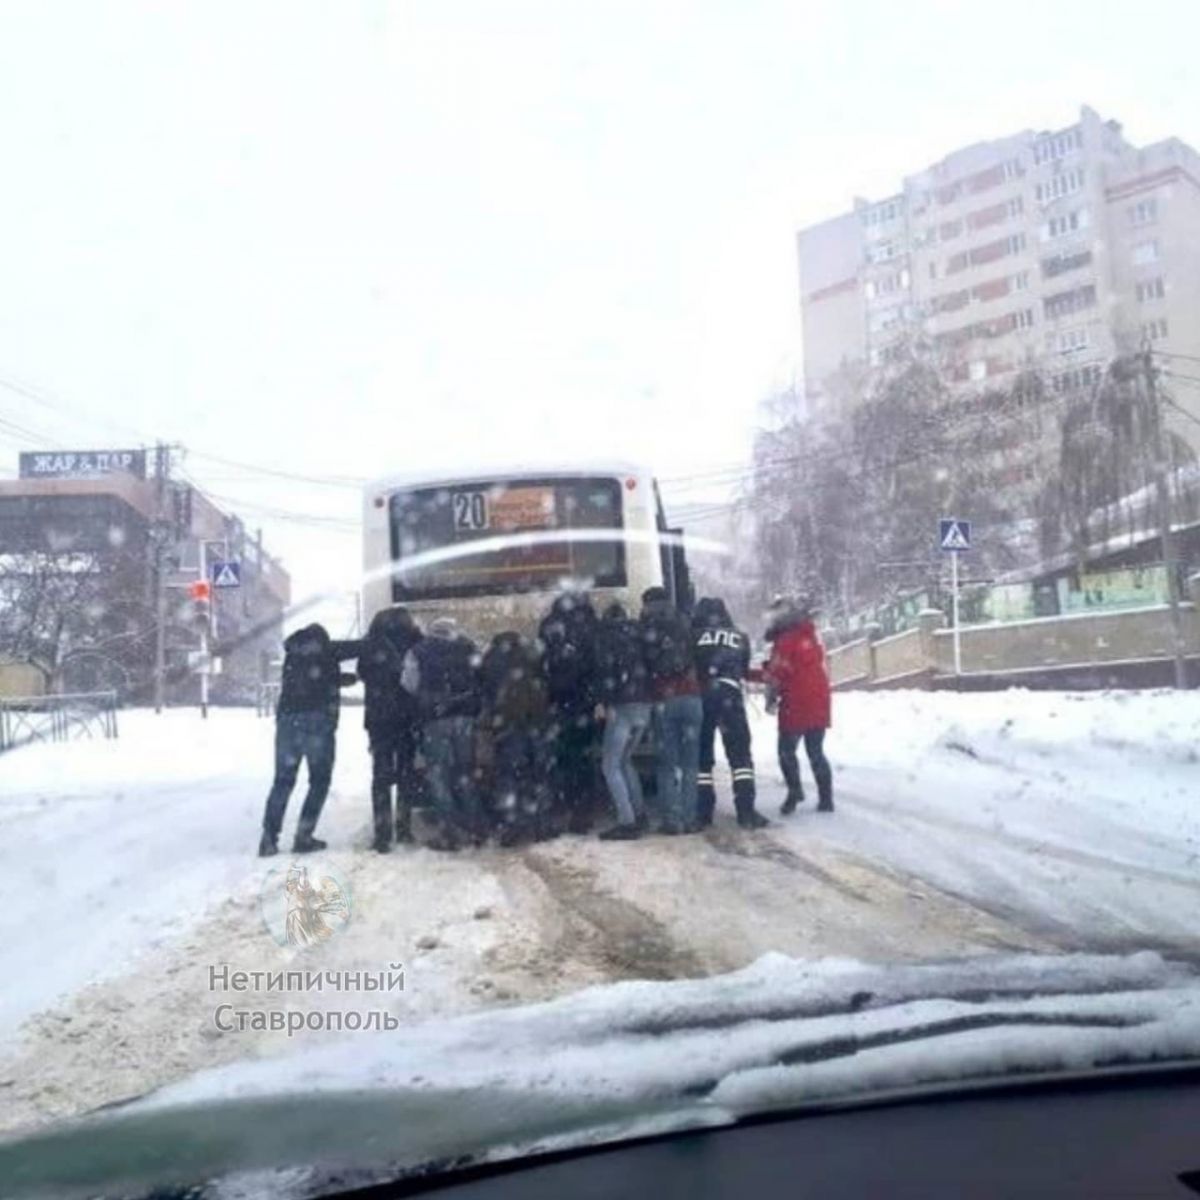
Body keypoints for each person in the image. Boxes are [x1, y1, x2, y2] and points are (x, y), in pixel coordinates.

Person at [259, 623, 361, 857]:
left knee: (283, 782)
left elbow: (315, 677)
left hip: (288, 723)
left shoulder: (293, 654)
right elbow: (356, 649)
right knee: (319, 780)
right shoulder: (327, 650)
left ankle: (268, 838)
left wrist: (339, 678)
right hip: (318, 722)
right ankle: (304, 835)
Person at [401, 616, 483, 849]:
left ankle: (451, 832)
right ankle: (476, 828)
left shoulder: (418, 650)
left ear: (432, 631)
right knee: (464, 773)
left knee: (439, 776)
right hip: (465, 717)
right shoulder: (469, 647)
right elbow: (480, 677)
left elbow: (409, 683)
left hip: (434, 718)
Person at [692, 596, 769, 830]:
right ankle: (746, 811)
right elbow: (743, 670)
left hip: (702, 695)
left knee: (702, 757)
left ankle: (704, 812)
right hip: (731, 697)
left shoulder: (693, 636)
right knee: (740, 756)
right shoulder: (739, 637)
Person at [478, 630, 555, 846]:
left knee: (509, 777)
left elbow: (484, 689)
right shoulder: (532, 655)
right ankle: (542, 825)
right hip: (538, 723)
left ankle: (513, 827)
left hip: (508, 725)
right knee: (539, 774)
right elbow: (545, 682)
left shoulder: (491, 658)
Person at [357, 605, 423, 854]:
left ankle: (382, 834)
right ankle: (404, 828)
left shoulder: (371, 646)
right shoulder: (415, 643)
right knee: (407, 774)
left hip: (378, 719)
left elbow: (362, 673)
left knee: (380, 777)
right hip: (407, 717)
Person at [639, 586, 703, 834]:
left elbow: (644, 662)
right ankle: (690, 818)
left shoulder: (647, 626)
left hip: (665, 700)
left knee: (666, 764)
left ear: (648, 604)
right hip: (692, 697)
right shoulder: (684, 621)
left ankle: (672, 820)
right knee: (690, 763)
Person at [763, 596, 834, 815]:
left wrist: (768, 694)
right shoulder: (811, 636)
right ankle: (826, 799)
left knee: (786, 751)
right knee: (816, 751)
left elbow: (777, 673)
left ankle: (795, 791)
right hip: (820, 700)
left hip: (795, 702)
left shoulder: (785, 641)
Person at [538, 591, 601, 833]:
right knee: (584, 760)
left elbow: (541, 662)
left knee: (561, 759)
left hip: (557, 703)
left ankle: (560, 808)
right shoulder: (592, 626)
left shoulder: (550, 626)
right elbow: (598, 663)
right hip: (585, 703)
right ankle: (583, 814)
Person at [593, 601, 652, 840]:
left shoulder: (607, 637)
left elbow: (606, 672)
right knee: (626, 761)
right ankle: (639, 814)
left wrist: (602, 702)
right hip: (644, 704)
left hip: (622, 706)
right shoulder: (639, 634)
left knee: (610, 765)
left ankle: (627, 821)